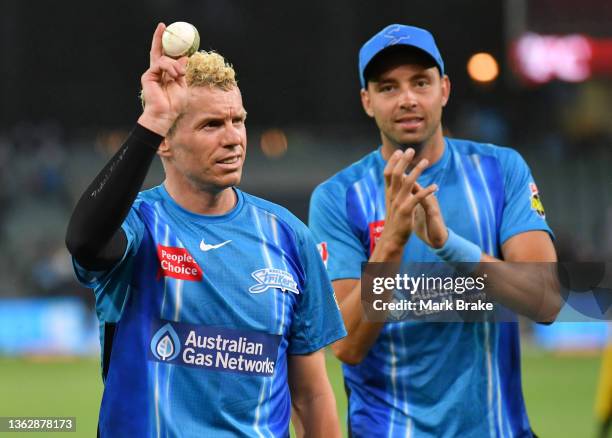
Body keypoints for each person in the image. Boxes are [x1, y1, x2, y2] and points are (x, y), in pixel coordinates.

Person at [65, 23, 345, 438]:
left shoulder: (288, 236)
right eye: (211, 125)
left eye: (238, 120)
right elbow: (84, 242)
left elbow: (311, 396)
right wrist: (154, 118)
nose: (233, 138)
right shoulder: (140, 225)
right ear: (164, 142)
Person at [309, 24, 560, 437]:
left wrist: (447, 244)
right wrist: (392, 241)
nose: (407, 98)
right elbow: (347, 346)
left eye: (420, 82)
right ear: (366, 101)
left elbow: (548, 300)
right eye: (388, 87)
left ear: (444, 89)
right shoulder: (338, 198)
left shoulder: (501, 170)